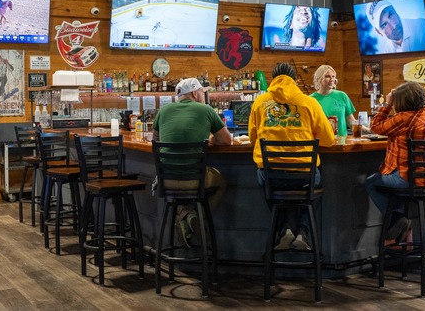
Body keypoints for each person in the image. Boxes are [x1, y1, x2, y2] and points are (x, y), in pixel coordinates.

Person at [249, 62, 335, 251]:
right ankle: (303, 231)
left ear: (273, 80)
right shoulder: (309, 102)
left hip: (271, 175)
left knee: (268, 186)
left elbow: (252, 137)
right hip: (305, 175)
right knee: (315, 186)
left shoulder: (259, 102)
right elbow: (328, 140)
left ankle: (284, 228)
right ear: (295, 80)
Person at [152, 77, 232, 248]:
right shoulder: (206, 110)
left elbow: (156, 142)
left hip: (165, 180)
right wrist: (211, 140)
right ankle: (195, 217)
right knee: (222, 183)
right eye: (203, 92)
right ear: (195, 93)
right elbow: (227, 141)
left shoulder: (163, 111)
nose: (204, 95)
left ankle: (185, 215)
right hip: (195, 180)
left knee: (182, 191)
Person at [365, 82, 425, 244]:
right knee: (396, 183)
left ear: (401, 101)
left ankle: (397, 220)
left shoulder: (403, 118)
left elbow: (376, 127)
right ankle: (400, 235)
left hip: (409, 181)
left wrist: (387, 104)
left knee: (372, 182)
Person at [310, 64, 360, 135]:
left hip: (342, 142)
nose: (331, 79)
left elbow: (351, 122)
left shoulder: (342, 96)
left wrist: (370, 130)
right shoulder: (311, 99)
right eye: (327, 76)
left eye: (333, 76)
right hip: (322, 143)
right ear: (319, 79)